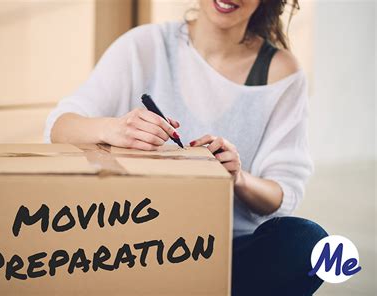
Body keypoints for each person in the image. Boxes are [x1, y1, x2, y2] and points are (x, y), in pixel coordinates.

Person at [44, 0, 328, 294]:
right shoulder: (144, 46)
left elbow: (283, 193)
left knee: (309, 244)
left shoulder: (282, 72)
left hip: (227, 251)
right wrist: (114, 128)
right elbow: (58, 127)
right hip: (140, 247)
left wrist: (237, 178)